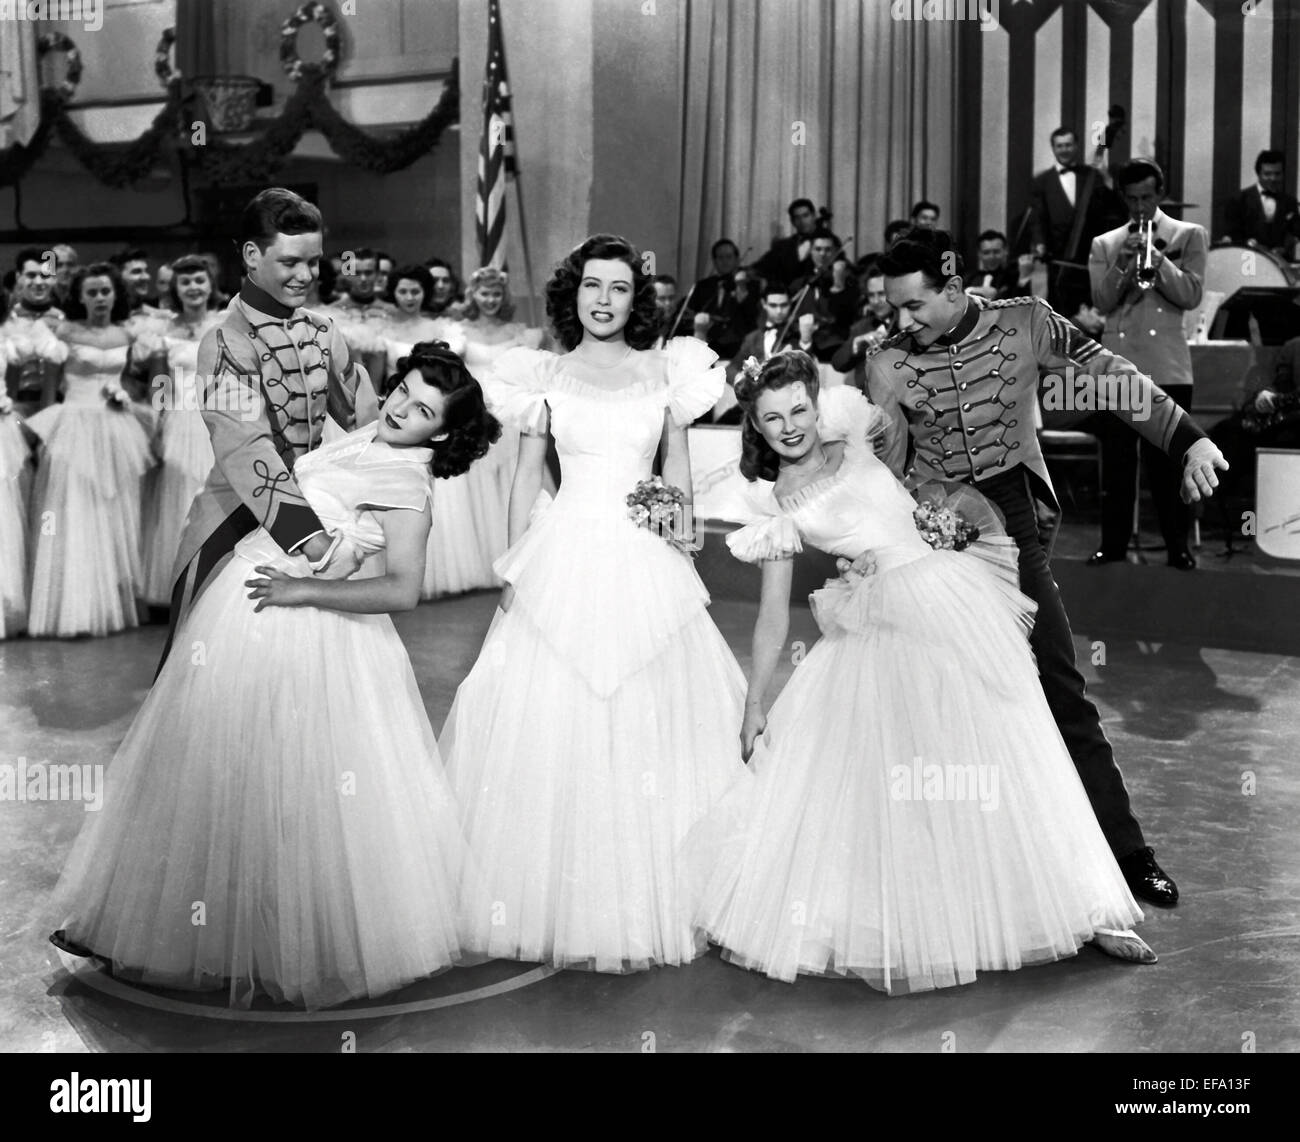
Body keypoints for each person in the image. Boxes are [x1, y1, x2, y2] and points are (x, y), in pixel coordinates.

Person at [48, 344, 498, 1010]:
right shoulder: (363, 436)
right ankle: (196, 930)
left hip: (303, 623)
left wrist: (304, 591)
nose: (404, 407)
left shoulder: (408, 484)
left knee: (294, 787)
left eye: (424, 410)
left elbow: (403, 589)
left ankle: (284, 948)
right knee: (216, 771)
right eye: (405, 390)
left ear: (442, 433)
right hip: (246, 599)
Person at [689, 355, 1153, 993]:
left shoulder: (853, 433)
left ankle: (1089, 909)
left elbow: (915, 463)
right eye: (772, 419)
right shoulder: (775, 502)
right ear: (756, 428)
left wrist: (934, 527)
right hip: (880, 628)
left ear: (814, 403)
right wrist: (754, 705)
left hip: (953, 595)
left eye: (798, 409)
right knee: (904, 773)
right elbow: (772, 617)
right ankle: (937, 919)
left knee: (1011, 746)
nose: (789, 426)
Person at [863, 231, 1228, 907]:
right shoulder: (886, 361)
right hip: (927, 534)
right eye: (894, 308)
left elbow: (1112, 375)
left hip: (1012, 521)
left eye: (913, 306)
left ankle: (1128, 853)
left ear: (953, 287)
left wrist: (1188, 439)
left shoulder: (1026, 321)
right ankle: (950, 874)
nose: (901, 321)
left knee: (1059, 682)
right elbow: (884, 470)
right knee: (937, 701)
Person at [439, 233, 748, 971]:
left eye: (617, 287)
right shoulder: (540, 374)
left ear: (635, 299)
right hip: (564, 549)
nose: (603, 301)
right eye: (591, 287)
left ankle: (661, 889)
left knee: (652, 712)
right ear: (570, 296)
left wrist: (679, 538)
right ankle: (548, 893)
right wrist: (513, 572)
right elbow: (523, 478)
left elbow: (675, 466)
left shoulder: (669, 371)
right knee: (551, 712)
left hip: (644, 553)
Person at [158, 187, 378, 670]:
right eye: (291, 262)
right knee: (206, 668)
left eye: (314, 262)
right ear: (253, 256)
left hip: (322, 508)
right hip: (235, 518)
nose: (306, 276)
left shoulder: (324, 331)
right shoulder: (224, 342)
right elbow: (244, 448)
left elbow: (364, 421)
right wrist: (315, 541)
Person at [1087, 158, 1209, 569]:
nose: (1140, 206)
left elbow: (1190, 295)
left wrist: (1155, 258)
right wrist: (1124, 261)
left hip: (1168, 365)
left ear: (1160, 194)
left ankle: (1178, 547)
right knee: (1118, 466)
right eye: (1133, 199)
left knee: (1169, 465)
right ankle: (1113, 546)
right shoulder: (1105, 243)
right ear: (1123, 197)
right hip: (1120, 366)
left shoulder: (1189, 235)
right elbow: (1103, 302)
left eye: (1147, 197)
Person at [26, 263, 153, 638]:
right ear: (79, 296)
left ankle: (114, 598)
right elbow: (50, 391)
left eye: (106, 291)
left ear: (116, 294)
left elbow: (139, 379)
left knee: (115, 511)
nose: (100, 298)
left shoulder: (129, 333)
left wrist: (126, 397)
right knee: (74, 513)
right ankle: (75, 607)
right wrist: (40, 437)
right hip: (72, 426)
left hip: (115, 427)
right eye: (92, 292)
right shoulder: (61, 332)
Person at [439, 265, 549, 597]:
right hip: (474, 417)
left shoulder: (518, 333)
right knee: (474, 493)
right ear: (473, 295)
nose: (490, 299)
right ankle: (480, 562)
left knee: (513, 485)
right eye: (484, 293)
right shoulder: (458, 330)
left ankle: (517, 559)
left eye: (496, 293)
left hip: (510, 419)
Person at [134, 255, 224, 608]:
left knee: (214, 498)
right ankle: (179, 585)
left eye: (199, 281)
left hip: (218, 418)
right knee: (178, 499)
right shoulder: (161, 332)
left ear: (209, 285)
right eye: (185, 282)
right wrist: (157, 427)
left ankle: (215, 583)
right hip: (179, 418)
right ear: (175, 288)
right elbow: (159, 384)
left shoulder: (226, 325)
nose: (193, 288)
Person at [1029, 126, 1127, 317]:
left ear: (1076, 146)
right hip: (1059, 257)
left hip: (1089, 256)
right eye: (1059, 146)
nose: (1064, 149)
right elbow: (1037, 218)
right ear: (1053, 148)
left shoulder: (1092, 176)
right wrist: (1040, 243)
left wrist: (1106, 175)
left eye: (1068, 145)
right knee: (1059, 310)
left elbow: (1115, 205)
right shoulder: (1042, 181)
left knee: (1092, 312)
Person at [1, 247, 66, 416]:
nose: (38, 282)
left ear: (54, 278)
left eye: (45, 275)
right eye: (31, 275)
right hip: (13, 408)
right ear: (18, 277)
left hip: (59, 409)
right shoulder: (6, 322)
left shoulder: (65, 322)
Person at [1222, 149, 1300, 259]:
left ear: (1283, 174)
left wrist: (1285, 248)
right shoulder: (1239, 200)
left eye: (1277, 174)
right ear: (1258, 174)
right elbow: (1232, 235)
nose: (1273, 178)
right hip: (1247, 262)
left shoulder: (1289, 201)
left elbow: (1296, 232)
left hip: (1280, 264)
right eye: (1267, 174)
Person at [690, 238, 759, 363]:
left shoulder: (749, 284)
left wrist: (741, 290)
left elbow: (752, 315)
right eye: (720, 258)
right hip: (710, 345)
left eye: (729, 257)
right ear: (714, 261)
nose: (725, 261)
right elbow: (692, 311)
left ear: (737, 260)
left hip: (739, 346)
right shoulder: (703, 286)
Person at [831, 266, 896, 390]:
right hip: (868, 401)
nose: (876, 301)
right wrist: (855, 345)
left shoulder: (906, 324)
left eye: (881, 294)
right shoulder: (861, 326)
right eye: (871, 295)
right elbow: (838, 363)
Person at [756, 197, 820, 286]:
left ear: (814, 216)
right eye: (797, 218)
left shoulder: (828, 239)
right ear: (792, 221)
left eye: (806, 216)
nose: (802, 222)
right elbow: (762, 266)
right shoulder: (783, 245)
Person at [966, 229, 1032, 300]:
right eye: (986, 252)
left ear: (1006, 251)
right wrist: (971, 290)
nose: (991, 257)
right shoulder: (970, 279)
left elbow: (1022, 303)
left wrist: (1024, 278)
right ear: (979, 254)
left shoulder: (1013, 278)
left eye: (996, 252)